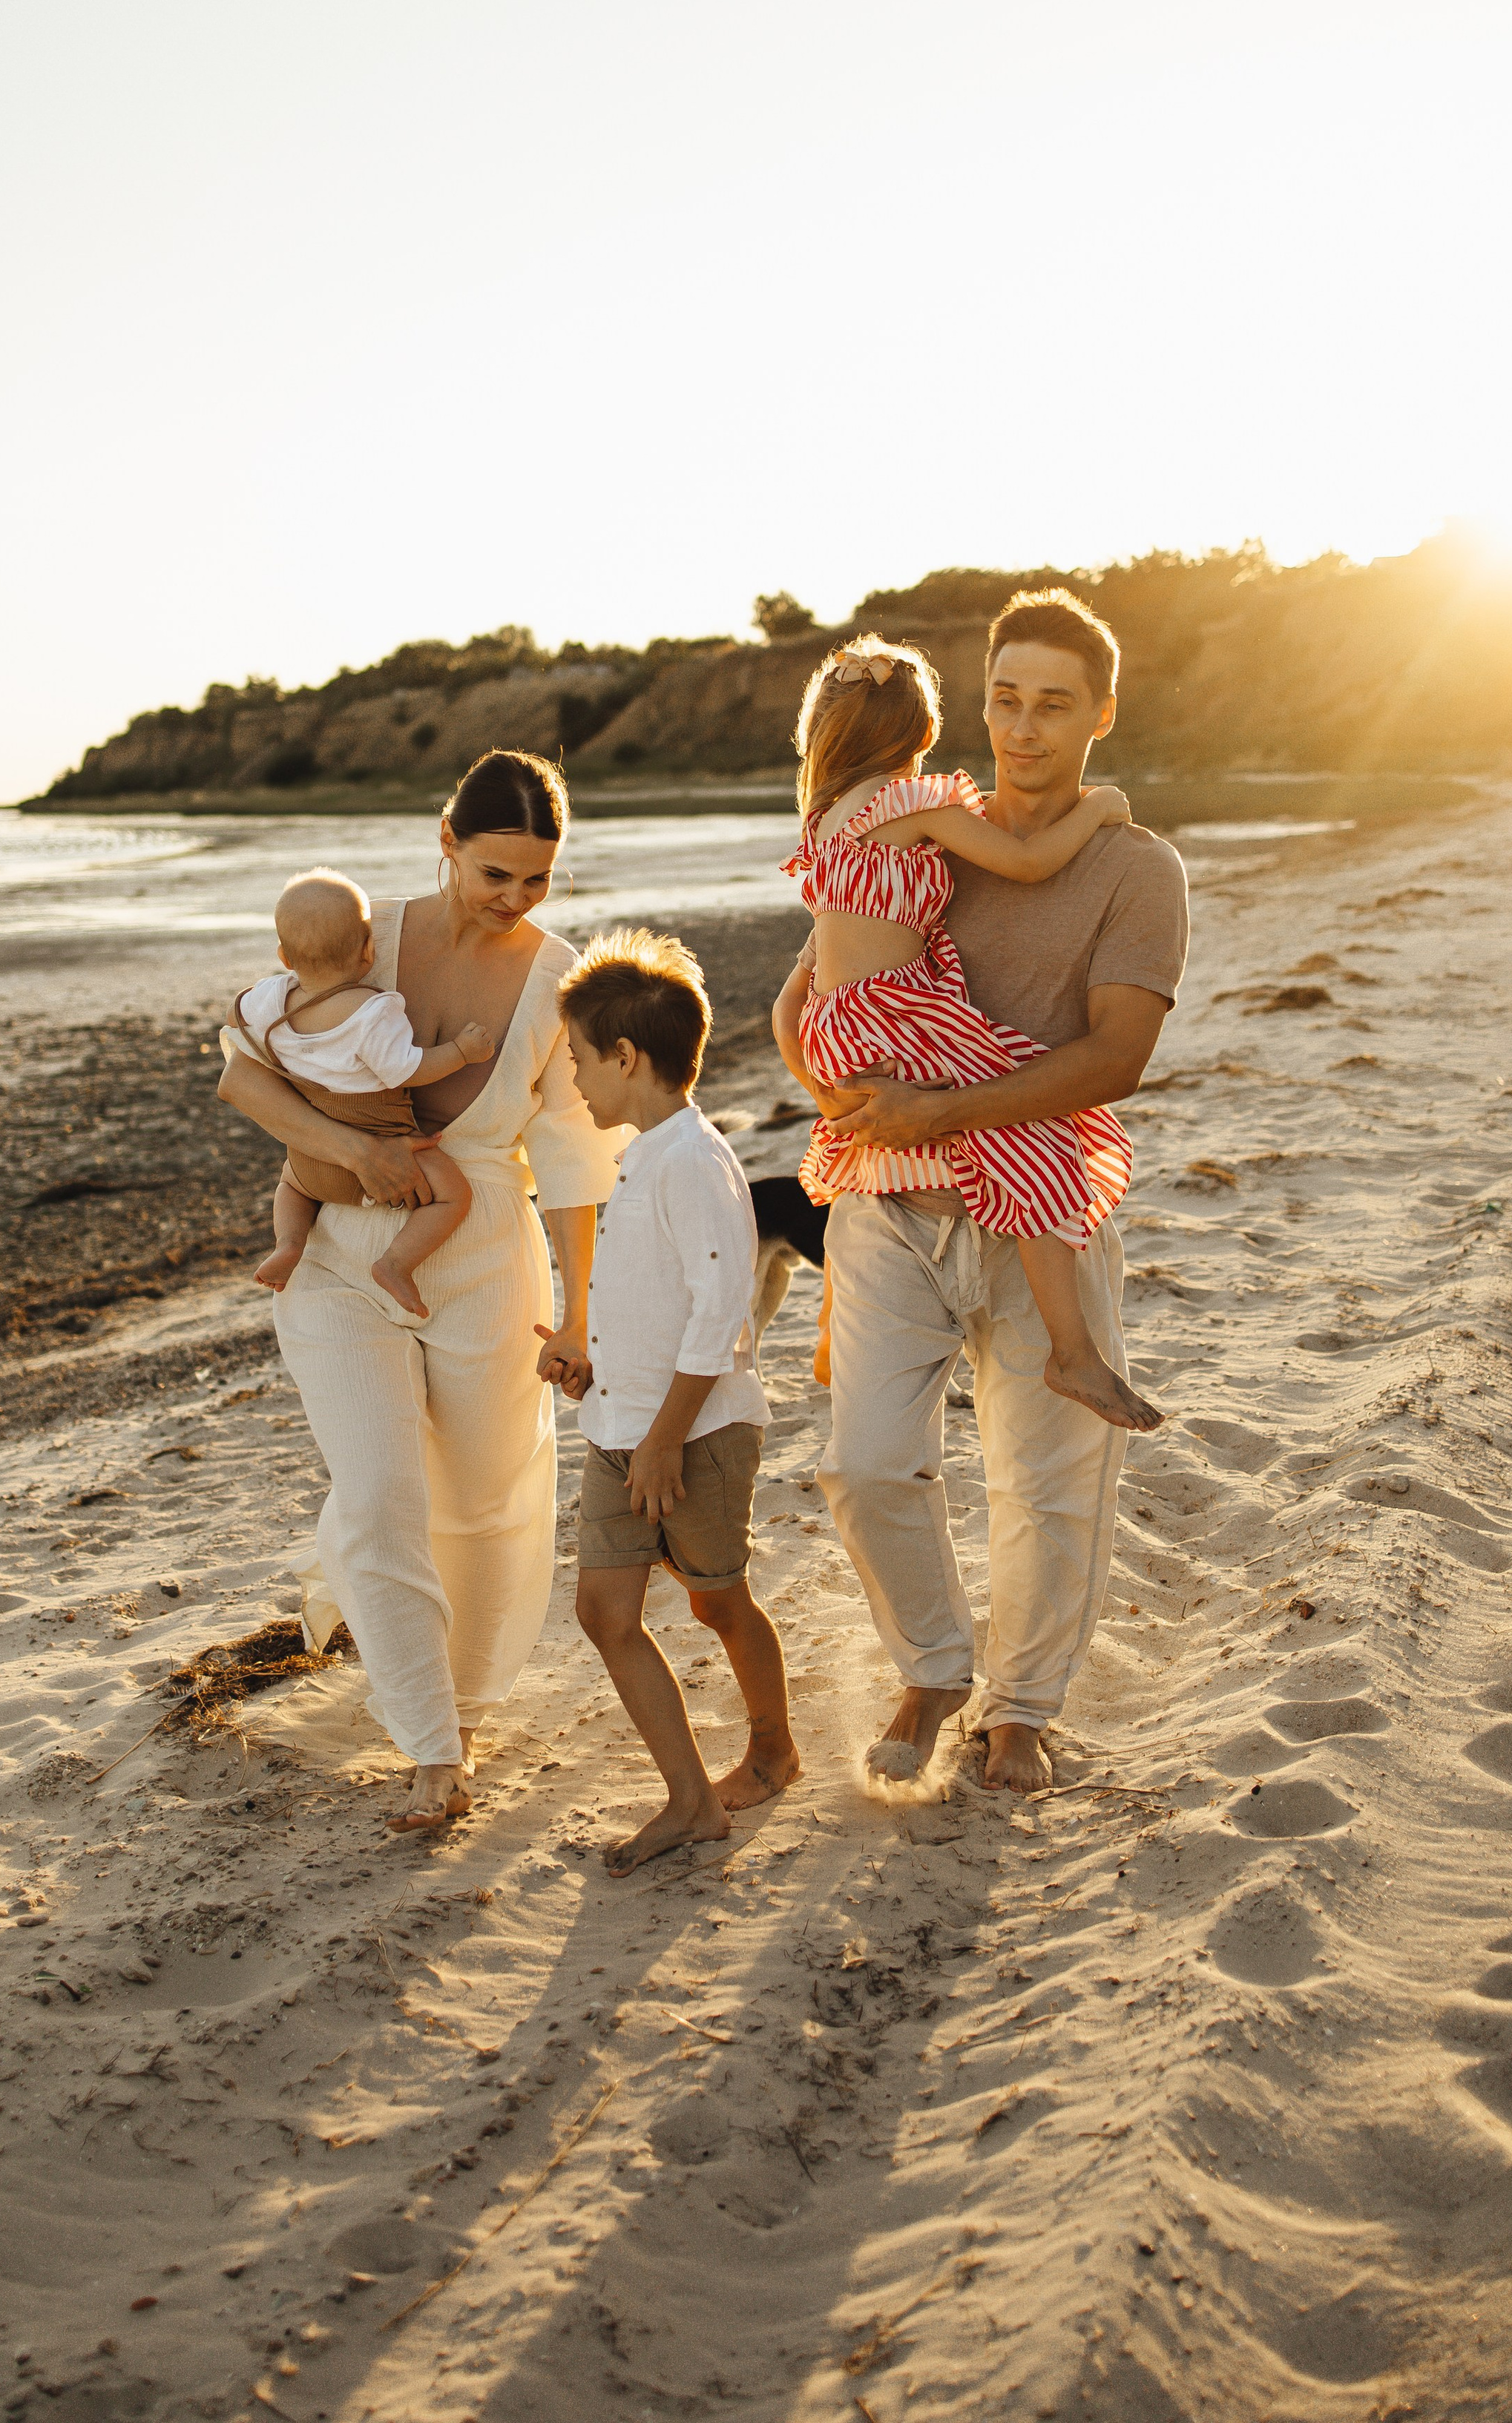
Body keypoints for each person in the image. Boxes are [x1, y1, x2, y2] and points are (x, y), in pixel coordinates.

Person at [773, 591, 1188, 1796]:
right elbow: (813, 996)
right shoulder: (922, 827)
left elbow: (1116, 1059)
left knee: (1048, 1487)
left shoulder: (1134, 870)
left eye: (1054, 705)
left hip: (1038, 1209)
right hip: (887, 1207)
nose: (1022, 727)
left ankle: (1020, 1714)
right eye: (1005, 697)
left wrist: (937, 1111)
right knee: (864, 1464)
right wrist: (835, 1088)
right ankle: (934, 1666)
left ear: (1101, 714)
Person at [217, 750, 624, 1833]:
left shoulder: (560, 975)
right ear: (446, 842)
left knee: (487, 1495)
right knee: (383, 1495)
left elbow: (576, 1162)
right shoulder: (360, 935)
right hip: (340, 1256)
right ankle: (432, 1746)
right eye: (496, 873)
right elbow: (240, 1064)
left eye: (538, 879)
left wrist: (580, 1314)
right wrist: (351, 1154)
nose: (516, 899)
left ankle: (470, 1691)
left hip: (486, 1248)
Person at [783, 631, 1159, 1433]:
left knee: (972, 1136)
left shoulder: (823, 820)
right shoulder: (911, 805)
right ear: (924, 735)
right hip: (896, 1012)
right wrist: (1098, 807)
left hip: (837, 1023)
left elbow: (804, 982)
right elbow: (1026, 861)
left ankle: (852, 1319)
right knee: (1035, 1127)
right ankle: (1072, 1350)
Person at [556, 928, 798, 1876]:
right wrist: (588, 1365)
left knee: (718, 1603)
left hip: (693, 1438)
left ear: (627, 1058)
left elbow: (719, 1316)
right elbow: (652, 1305)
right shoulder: (647, 1153)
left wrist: (661, 1442)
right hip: (621, 1428)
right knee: (603, 1612)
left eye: (580, 1059)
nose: (573, 1080)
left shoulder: (694, 1161)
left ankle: (774, 1747)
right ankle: (691, 1801)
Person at [236, 866, 493, 1316]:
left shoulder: (271, 1002)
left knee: (289, 1186)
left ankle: (289, 1244)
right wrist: (460, 1052)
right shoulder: (373, 1011)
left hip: (311, 1161)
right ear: (369, 949)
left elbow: (240, 1013)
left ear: (284, 955)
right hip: (386, 1143)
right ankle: (396, 1264)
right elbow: (406, 1069)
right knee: (455, 1194)